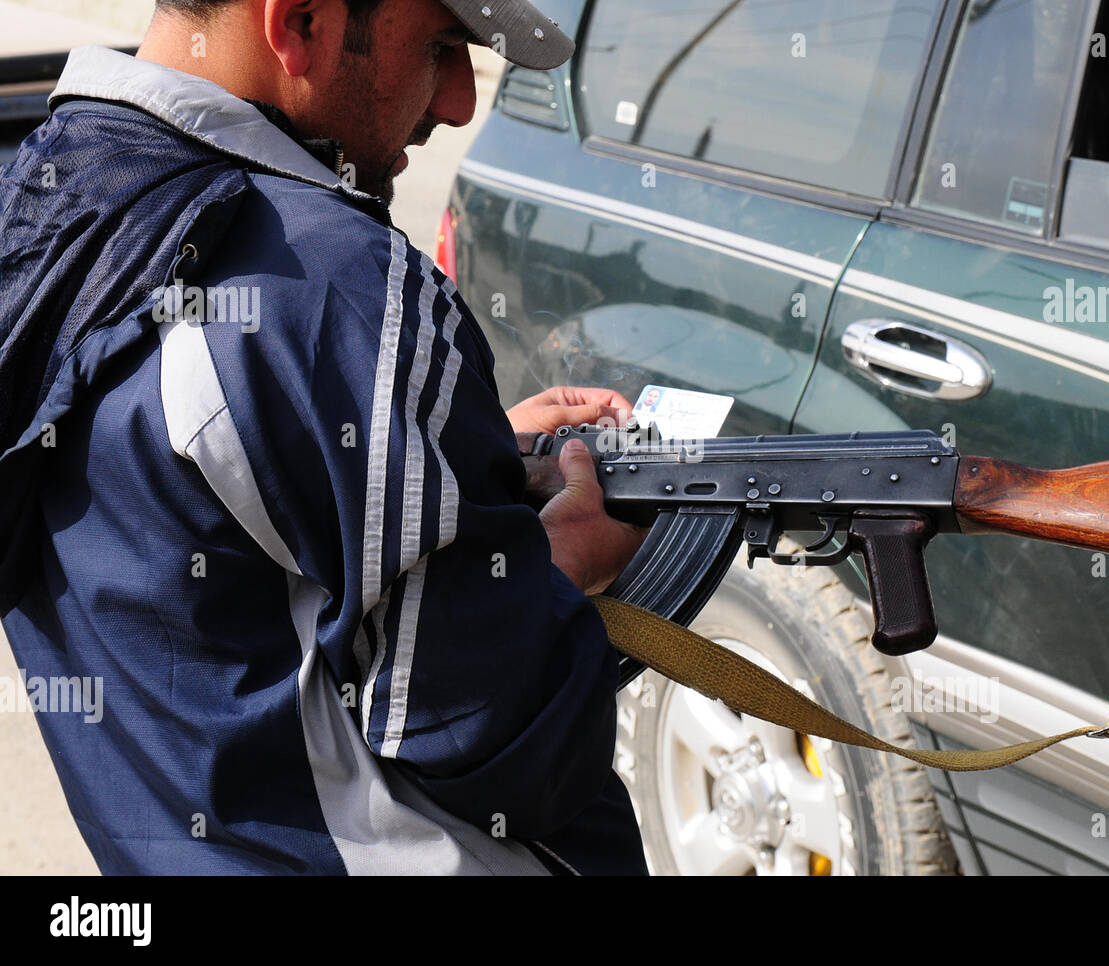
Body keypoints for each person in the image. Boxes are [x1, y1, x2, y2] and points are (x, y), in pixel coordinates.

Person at [0, 0, 649, 875]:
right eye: (441, 46)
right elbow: (497, 737)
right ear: (299, 20)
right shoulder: (342, 290)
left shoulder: (46, 207)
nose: (459, 101)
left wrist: (435, 450)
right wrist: (565, 559)